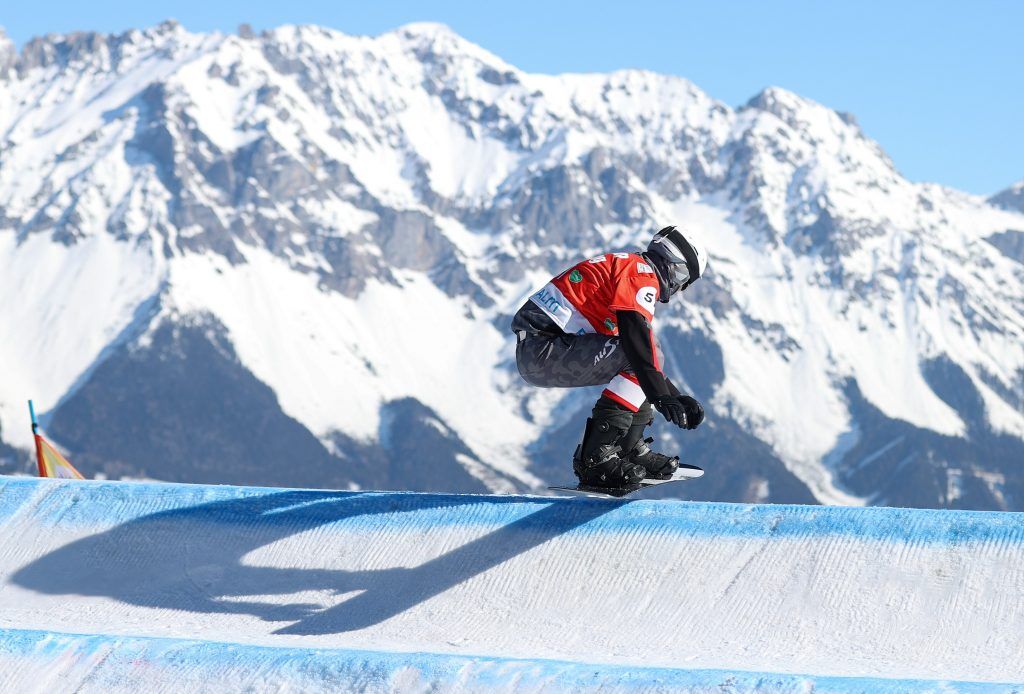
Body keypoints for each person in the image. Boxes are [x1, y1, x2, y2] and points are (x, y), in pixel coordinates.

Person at [510, 225, 708, 487]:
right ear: (674, 266)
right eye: (683, 280)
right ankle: (596, 458)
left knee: (645, 353)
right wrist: (662, 396)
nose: (678, 289)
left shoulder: (629, 267)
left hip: (541, 345)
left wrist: (675, 396)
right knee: (641, 351)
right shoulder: (641, 274)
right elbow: (635, 339)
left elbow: (641, 352)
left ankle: (627, 449)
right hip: (542, 347)